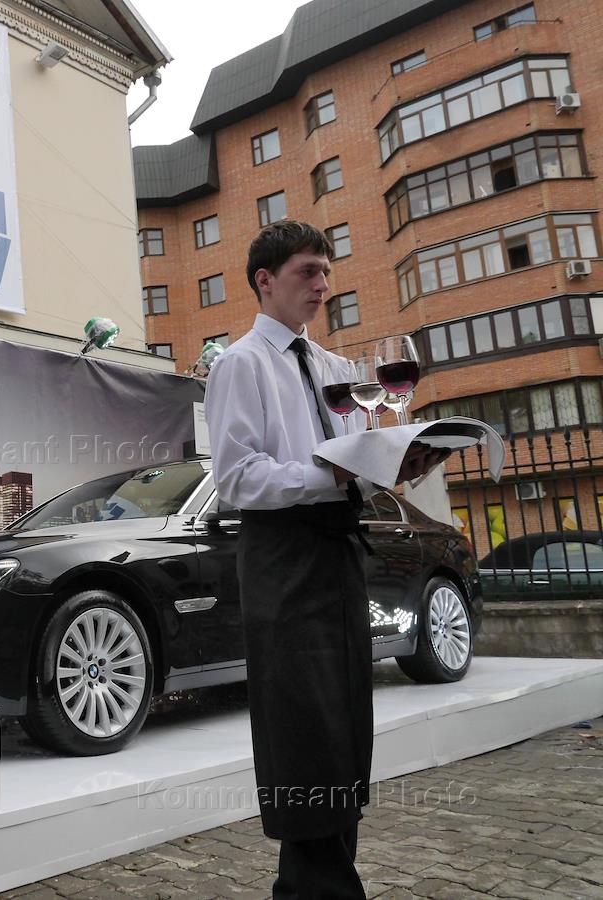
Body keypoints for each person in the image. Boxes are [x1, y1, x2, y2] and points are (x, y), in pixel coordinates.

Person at [203, 221, 448, 899]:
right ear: (265, 280)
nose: (322, 284)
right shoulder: (239, 365)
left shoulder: (340, 369)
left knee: (344, 722)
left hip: (340, 549)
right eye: (308, 272)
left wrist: (397, 465)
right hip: (280, 555)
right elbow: (237, 479)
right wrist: (332, 475)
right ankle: (322, 888)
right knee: (301, 723)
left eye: (326, 272)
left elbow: (355, 463)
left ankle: (310, 886)